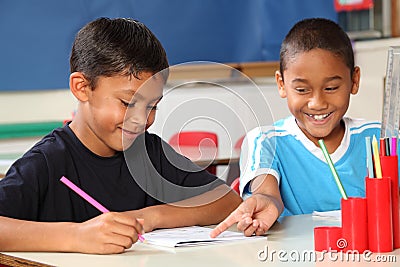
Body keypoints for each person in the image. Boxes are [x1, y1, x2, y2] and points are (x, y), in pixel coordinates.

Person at [0, 17, 242, 254]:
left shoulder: (149, 153)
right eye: (128, 103)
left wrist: (148, 217)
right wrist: (76, 236)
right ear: (82, 88)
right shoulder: (47, 161)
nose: (141, 119)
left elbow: (228, 201)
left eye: (152, 106)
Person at [211, 17, 382, 238]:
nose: (317, 103)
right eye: (302, 90)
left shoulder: (381, 139)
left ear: (354, 80)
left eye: (331, 87)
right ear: (282, 84)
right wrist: (265, 202)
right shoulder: (265, 141)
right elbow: (266, 192)